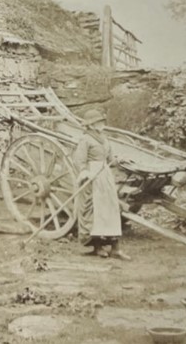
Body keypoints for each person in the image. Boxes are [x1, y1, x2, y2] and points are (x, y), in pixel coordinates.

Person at [72, 109, 131, 260]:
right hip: (92, 177)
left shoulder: (104, 138)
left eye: (101, 121)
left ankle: (115, 248)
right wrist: (85, 172)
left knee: (111, 210)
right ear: (90, 125)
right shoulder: (85, 140)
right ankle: (97, 247)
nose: (101, 124)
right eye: (98, 122)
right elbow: (79, 160)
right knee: (95, 212)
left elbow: (110, 158)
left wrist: (119, 159)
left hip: (105, 176)